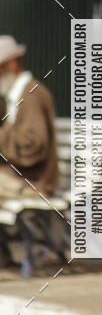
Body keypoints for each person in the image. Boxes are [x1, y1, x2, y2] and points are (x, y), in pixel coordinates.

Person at [0, 35, 59, 200]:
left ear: (11, 64)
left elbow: (32, 146)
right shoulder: (16, 94)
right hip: (18, 178)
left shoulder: (32, 95)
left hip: (36, 184)